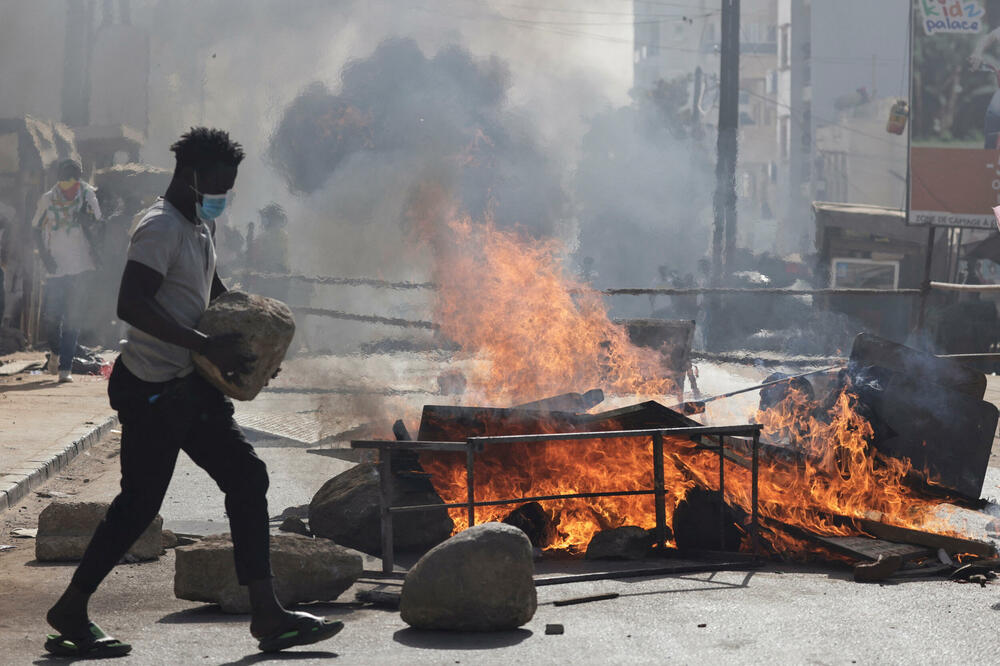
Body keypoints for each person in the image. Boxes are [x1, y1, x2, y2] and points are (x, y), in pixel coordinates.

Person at [44, 128, 342, 658]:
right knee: (138, 507)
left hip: (191, 386)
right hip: (153, 390)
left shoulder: (198, 225)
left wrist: (255, 345)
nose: (224, 196)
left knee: (248, 476)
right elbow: (131, 303)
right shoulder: (159, 228)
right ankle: (71, 608)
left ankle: (268, 615)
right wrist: (207, 344)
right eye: (219, 185)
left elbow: (212, 290)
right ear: (191, 175)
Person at [31, 159, 103, 382]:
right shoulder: (47, 199)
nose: (69, 184)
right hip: (55, 268)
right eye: (65, 179)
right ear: (59, 179)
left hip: (81, 266)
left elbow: (98, 223)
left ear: (79, 178)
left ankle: (65, 369)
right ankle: (56, 351)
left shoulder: (88, 195)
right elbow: (35, 229)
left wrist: (86, 219)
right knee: (52, 318)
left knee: (73, 318)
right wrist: (45, 257)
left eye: (74, 179)